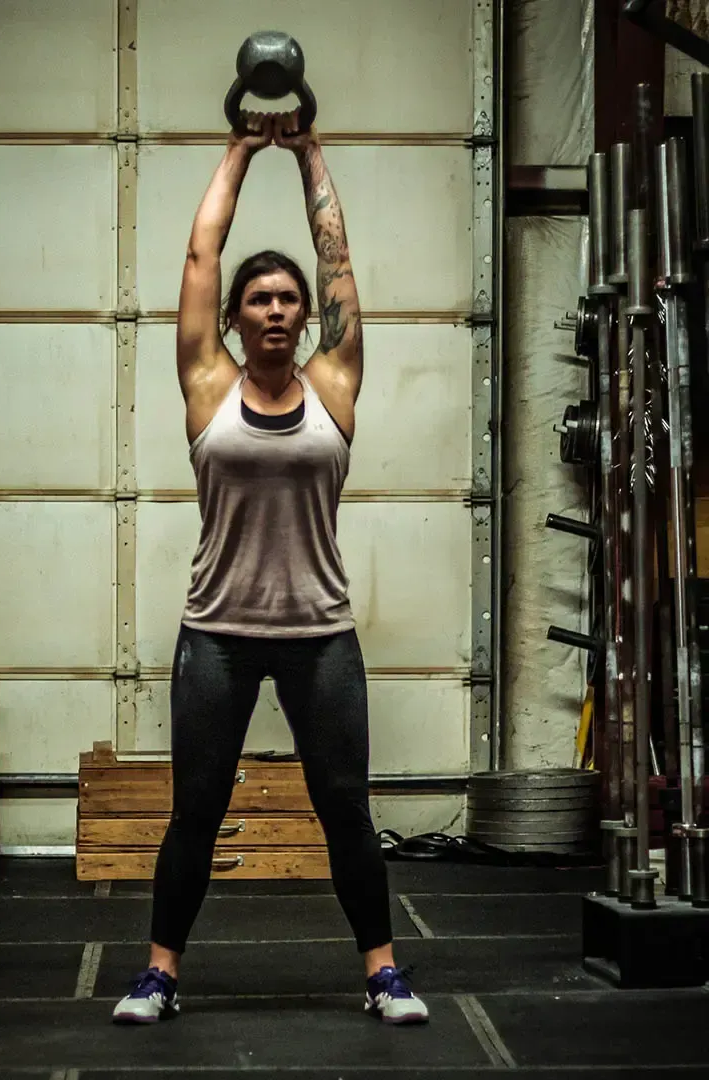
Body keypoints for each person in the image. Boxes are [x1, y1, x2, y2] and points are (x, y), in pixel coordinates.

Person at [112, 110, 428, 1026]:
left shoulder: (336, 384)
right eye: (261, 300)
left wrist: (313, 152)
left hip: (320, 633)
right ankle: (160, 976)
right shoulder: (207, 384)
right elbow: (197, 259)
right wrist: (245, 149)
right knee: (197, 811)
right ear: (237, 319)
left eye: (290, 299)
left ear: (307, 314)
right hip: (216, 631)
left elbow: (340, 266)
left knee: (344, 809)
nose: (279, 309)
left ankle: (382, 975)